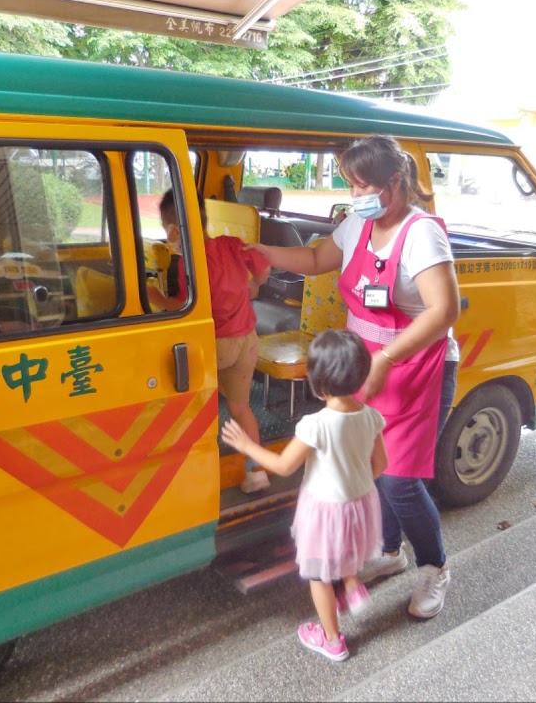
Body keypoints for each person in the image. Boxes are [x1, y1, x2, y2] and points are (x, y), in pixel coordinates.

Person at [244, 134, 461, 619]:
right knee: (368, 466)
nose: (358, 196)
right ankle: (388, 551)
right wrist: (265, 252)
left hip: (417, 360)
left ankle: (435, 566)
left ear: (396, 183)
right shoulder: (356, 226)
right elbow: (320, 259)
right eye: (351, 185)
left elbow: (443, 311)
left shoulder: (421, 232)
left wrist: (386, 358)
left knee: (400, 480)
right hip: (365, 357)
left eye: (365, 186)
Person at [220, 329, 388, 662]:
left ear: (318, 381)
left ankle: (332, 641)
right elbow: (380, 465)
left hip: (325, 510)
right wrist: (352, 482)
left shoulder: (315, 424)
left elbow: (283, 466)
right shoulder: (371, 417)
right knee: (347, 550)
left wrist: (246, 446)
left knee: (319, 575)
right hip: (360, 503)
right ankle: (353, 587)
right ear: (362, 374)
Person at [148, 189, 273, 494]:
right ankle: (256, 472)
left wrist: (158, 298)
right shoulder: (231, 244)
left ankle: (197, 477)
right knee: (241, 407)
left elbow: (183, 306)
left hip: (217, 345)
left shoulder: (185, 264)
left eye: (167, 231)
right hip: (247, 340)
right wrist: (255, 285)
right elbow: (264, 265)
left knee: (198, 409)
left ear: (175, 230)